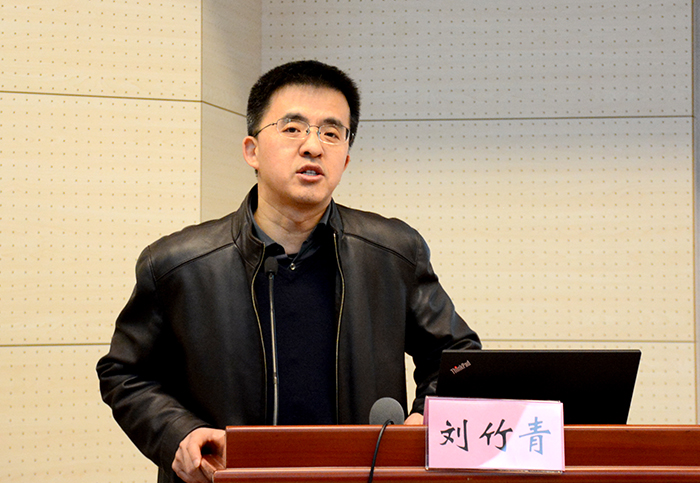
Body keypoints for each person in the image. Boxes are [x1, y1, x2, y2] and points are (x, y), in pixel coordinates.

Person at [97, 60, 481, 483]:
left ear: (345, 159)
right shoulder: (177, 263)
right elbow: (125, 374)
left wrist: (427, 418)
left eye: (331, 133)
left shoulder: (394, 252)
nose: (313, 146)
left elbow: (458, 356)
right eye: (293, 128)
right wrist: (179, 433)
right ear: (252, 150)